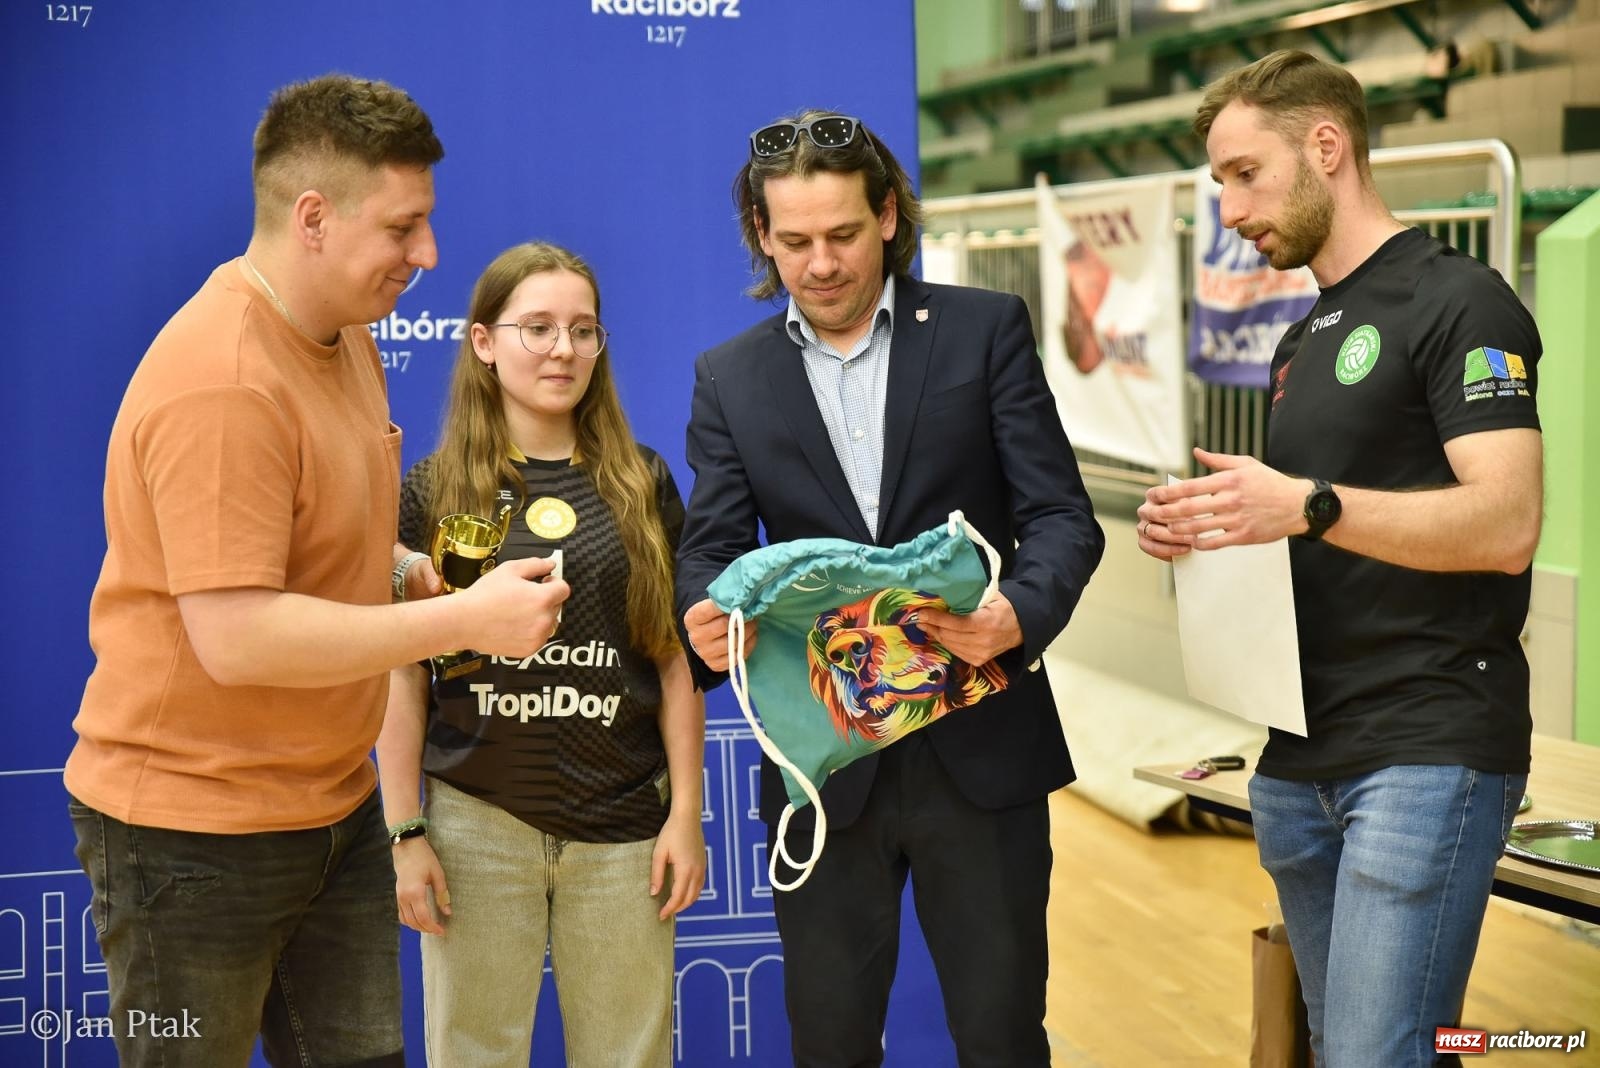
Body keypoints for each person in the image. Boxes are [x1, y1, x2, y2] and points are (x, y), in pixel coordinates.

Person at [64, 75, 568, 1067]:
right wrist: (460, 624)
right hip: (188, 838)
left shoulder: (344, 338)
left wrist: (399, 568)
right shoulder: (223, 381)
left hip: (331, 814)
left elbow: (288, 534)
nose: (427, 254)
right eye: (403, 227)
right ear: (312, 219)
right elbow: (239, 635)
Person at [1137, 50, 1543, 1067]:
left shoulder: (1460, 302)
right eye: (1219, 182)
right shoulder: (1298, 342)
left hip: (1425, 743)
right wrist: (1207, 534)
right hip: (1300, 759)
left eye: (1243, 174)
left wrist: (1306, 505)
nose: (1229, 209)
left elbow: (1504, 525)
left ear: (1327, 147)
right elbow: (1315, 533)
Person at [675, 111, 1105, 1067]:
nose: (820, 263)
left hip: (984, 757)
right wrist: (704, 619)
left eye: (842, 235)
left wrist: (1017, 616)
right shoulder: (729, 380)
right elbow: (707, 557)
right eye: (794, 242)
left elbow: (1065, 522)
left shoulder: (984, 332)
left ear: (888, 219)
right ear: (761, 233)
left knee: (1000, 1039)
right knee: (829, 1046)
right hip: (826, 776)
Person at [377, 242, 706, 1067]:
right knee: (473, 1053)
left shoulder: (641, 480)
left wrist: (685, 816)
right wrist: (404, 828)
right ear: (484, 342)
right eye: (538, 327)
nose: (564, 349)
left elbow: (672, 662)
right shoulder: (433, 489)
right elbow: (402, 672)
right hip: (476, 826)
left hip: (625, 827)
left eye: (583, 330)